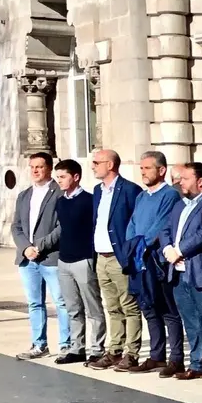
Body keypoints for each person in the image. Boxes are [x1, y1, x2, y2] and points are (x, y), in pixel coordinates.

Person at [160, 162, 202, 382]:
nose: (181, 182)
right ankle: (198, 363)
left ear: (200, 181)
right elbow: (165, 229)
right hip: (179, 271)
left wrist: (180, 249)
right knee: (191, 321)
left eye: (186, 178)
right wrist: (167, 248)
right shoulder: (180, 204)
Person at [124, 151, 183, 377]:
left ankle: (175, 358)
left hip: (156, 260)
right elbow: (133, 223)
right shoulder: (142, 196)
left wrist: (141, 244)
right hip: (139, 260)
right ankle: (156, 355)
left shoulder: (169, 195)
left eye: (147, 168)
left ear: (161, 170)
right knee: (149, 308)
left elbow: (160, 226)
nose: (143, 172)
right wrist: (131, 246)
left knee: (168, 310)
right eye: (141, 168)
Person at [88, 149, 144, 370]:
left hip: (120, 257)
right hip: (101, 257)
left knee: (129, 306)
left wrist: (129, 254)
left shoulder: (130, 190)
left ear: (110, 165)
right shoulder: (98, 191)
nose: (92, 166)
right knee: (111, 307)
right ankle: (114, 350)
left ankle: (131, 353)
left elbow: (135, 224)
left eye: (96, 162)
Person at [12, 152, 69, 361]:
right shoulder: (24, 195)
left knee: (61, 302)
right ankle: (39, 344)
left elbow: (62, 226)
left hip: (51, 257)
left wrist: (40, 246)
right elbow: (16, 226)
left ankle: (66, 344)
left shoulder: (59, 193)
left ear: (49, 168)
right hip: (27, 259)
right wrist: (26, 247)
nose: (35, 171)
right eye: (32, 167)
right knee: (34, 303)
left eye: (40, 167)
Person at [52, 159, 105, 365]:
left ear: (76, 177)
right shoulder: (61, 201)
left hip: (83, 259)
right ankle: (77, 347)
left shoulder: (89, 200)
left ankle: (97, 348)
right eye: (58, 178)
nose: (60, 181)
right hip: (64, 260)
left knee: (93, 307)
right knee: (72, 307)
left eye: (63, 177)